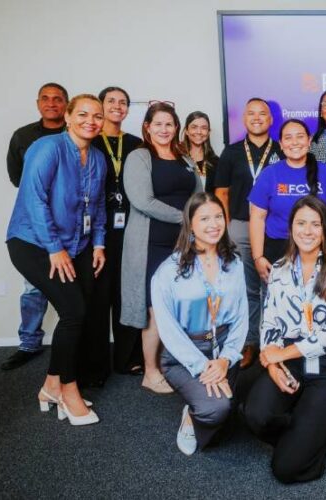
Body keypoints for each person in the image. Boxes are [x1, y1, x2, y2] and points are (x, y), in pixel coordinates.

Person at [5, 93, 107, 426]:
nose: (90, 121)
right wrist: (54, 247)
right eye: (83, 114)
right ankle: (68, 389)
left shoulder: (97, 158)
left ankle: (51, 385)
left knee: (78, 312)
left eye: (97, 116)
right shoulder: (47, 148)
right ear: (68, 117)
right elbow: (34, 200)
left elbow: (98, 206)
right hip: (33, 242)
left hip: (76, 244)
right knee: (74, 311)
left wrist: (99, 244)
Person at [243, 195, 326, 484]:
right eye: (301, 223)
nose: (307, 231)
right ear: (291, 227)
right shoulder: (280, 268)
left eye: (315, 224)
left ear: (325, 229)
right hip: (291, 362)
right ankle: (307, 425)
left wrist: (281, 355)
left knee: (286, 467)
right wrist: (272, 364)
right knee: (255, 414)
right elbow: (269, 321)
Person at [151, 192, 247, 455]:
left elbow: (241, 316)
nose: (213, 224)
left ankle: (202, 404)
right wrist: (203, 366)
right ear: (190, 224)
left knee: (232, 410)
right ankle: (191, 417)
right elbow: (169, 331)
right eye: (204, 219)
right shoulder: (168, 271)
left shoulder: (234, 263)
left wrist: (226, 359)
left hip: (223, 350)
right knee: (217, 409)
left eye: (218, 217)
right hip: (185, 355)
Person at [121, 102, 202, 394]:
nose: (164, 129)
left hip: (184, 243)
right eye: (158, 124)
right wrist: (187, 219)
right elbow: (142, 201)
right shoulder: (139, 157)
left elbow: (198, 194)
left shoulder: (184, 158)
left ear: (176, 128)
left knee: (180, 305)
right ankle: (150, 372)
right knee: (155, 309)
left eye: (169, 124)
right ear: (147, 127)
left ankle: (172, 366)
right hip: (151, 243)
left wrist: (200, 221)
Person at [1, 82, 69, 371]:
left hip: (71, 225)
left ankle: (73, 341)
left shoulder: (76, 133)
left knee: (74, 289)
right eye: (46, 98)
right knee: (33, 287)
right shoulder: (23, 136)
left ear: (67, 105)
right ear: (38, 103)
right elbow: (18, 179)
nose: (51, 103)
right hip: (35, 226)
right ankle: (29, 343)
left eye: (58, 99)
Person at [214, 98, 284, 368]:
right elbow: (222, 193)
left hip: (274, 228)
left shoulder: (280, 149)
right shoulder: (231, 152)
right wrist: (225, 228)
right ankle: (250, 341)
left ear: (270, 119)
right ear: (244, 119)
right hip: (241, 226)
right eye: (251, 113)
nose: (257, 118)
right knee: (247, 288)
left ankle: (275, 341)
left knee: (275, 287)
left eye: (262, 113)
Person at [82, 86, 144, 387]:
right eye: (111, 101)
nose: (117, 106)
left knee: (127, 293)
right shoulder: (89, 140)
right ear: (101, 106)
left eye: (123, 102)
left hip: (130, 228)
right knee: (97, 297)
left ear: (128, 110)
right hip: (96, 230)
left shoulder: (136, 144)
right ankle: (95, 367)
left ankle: (127, 358)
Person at [248, 119, 326, 286]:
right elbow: (257, 217)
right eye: (288, 138)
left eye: (300, 136)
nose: (294, 142)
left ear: (309, 140)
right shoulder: (270, 174)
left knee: (316, 297)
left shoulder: (325, 172)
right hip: (278, 248)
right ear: (281, 144)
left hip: (317, 246)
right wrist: (258, 257)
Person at [182, 111, 219, 192]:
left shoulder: (216, 162)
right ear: (186, 131)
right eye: (194, 127)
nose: (199, 132)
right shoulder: (177, 159)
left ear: (208, 132)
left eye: (204, 128)